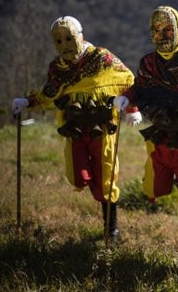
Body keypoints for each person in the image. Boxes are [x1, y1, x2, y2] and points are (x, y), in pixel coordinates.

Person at [11, 15, 141, 242]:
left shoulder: (101, 58)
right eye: (59, 41)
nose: (65, 45)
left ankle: (112, 230)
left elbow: (127, 80)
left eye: (69, 38)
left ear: (80, 35)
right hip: (74, 129)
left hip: (103, 128)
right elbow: (48, 94)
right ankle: (99, 192)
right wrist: (28, 102)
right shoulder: (57, 68)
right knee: (78, 178)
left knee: (106, 179)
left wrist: (132, 108)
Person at [113, 5, 178, 251]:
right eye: (156, 30)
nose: (162, 36)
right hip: (161, 133)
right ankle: (173, 183)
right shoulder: (148, 63)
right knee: (152, 186)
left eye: (168, 29)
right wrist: (128, 99)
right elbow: (140, 87)